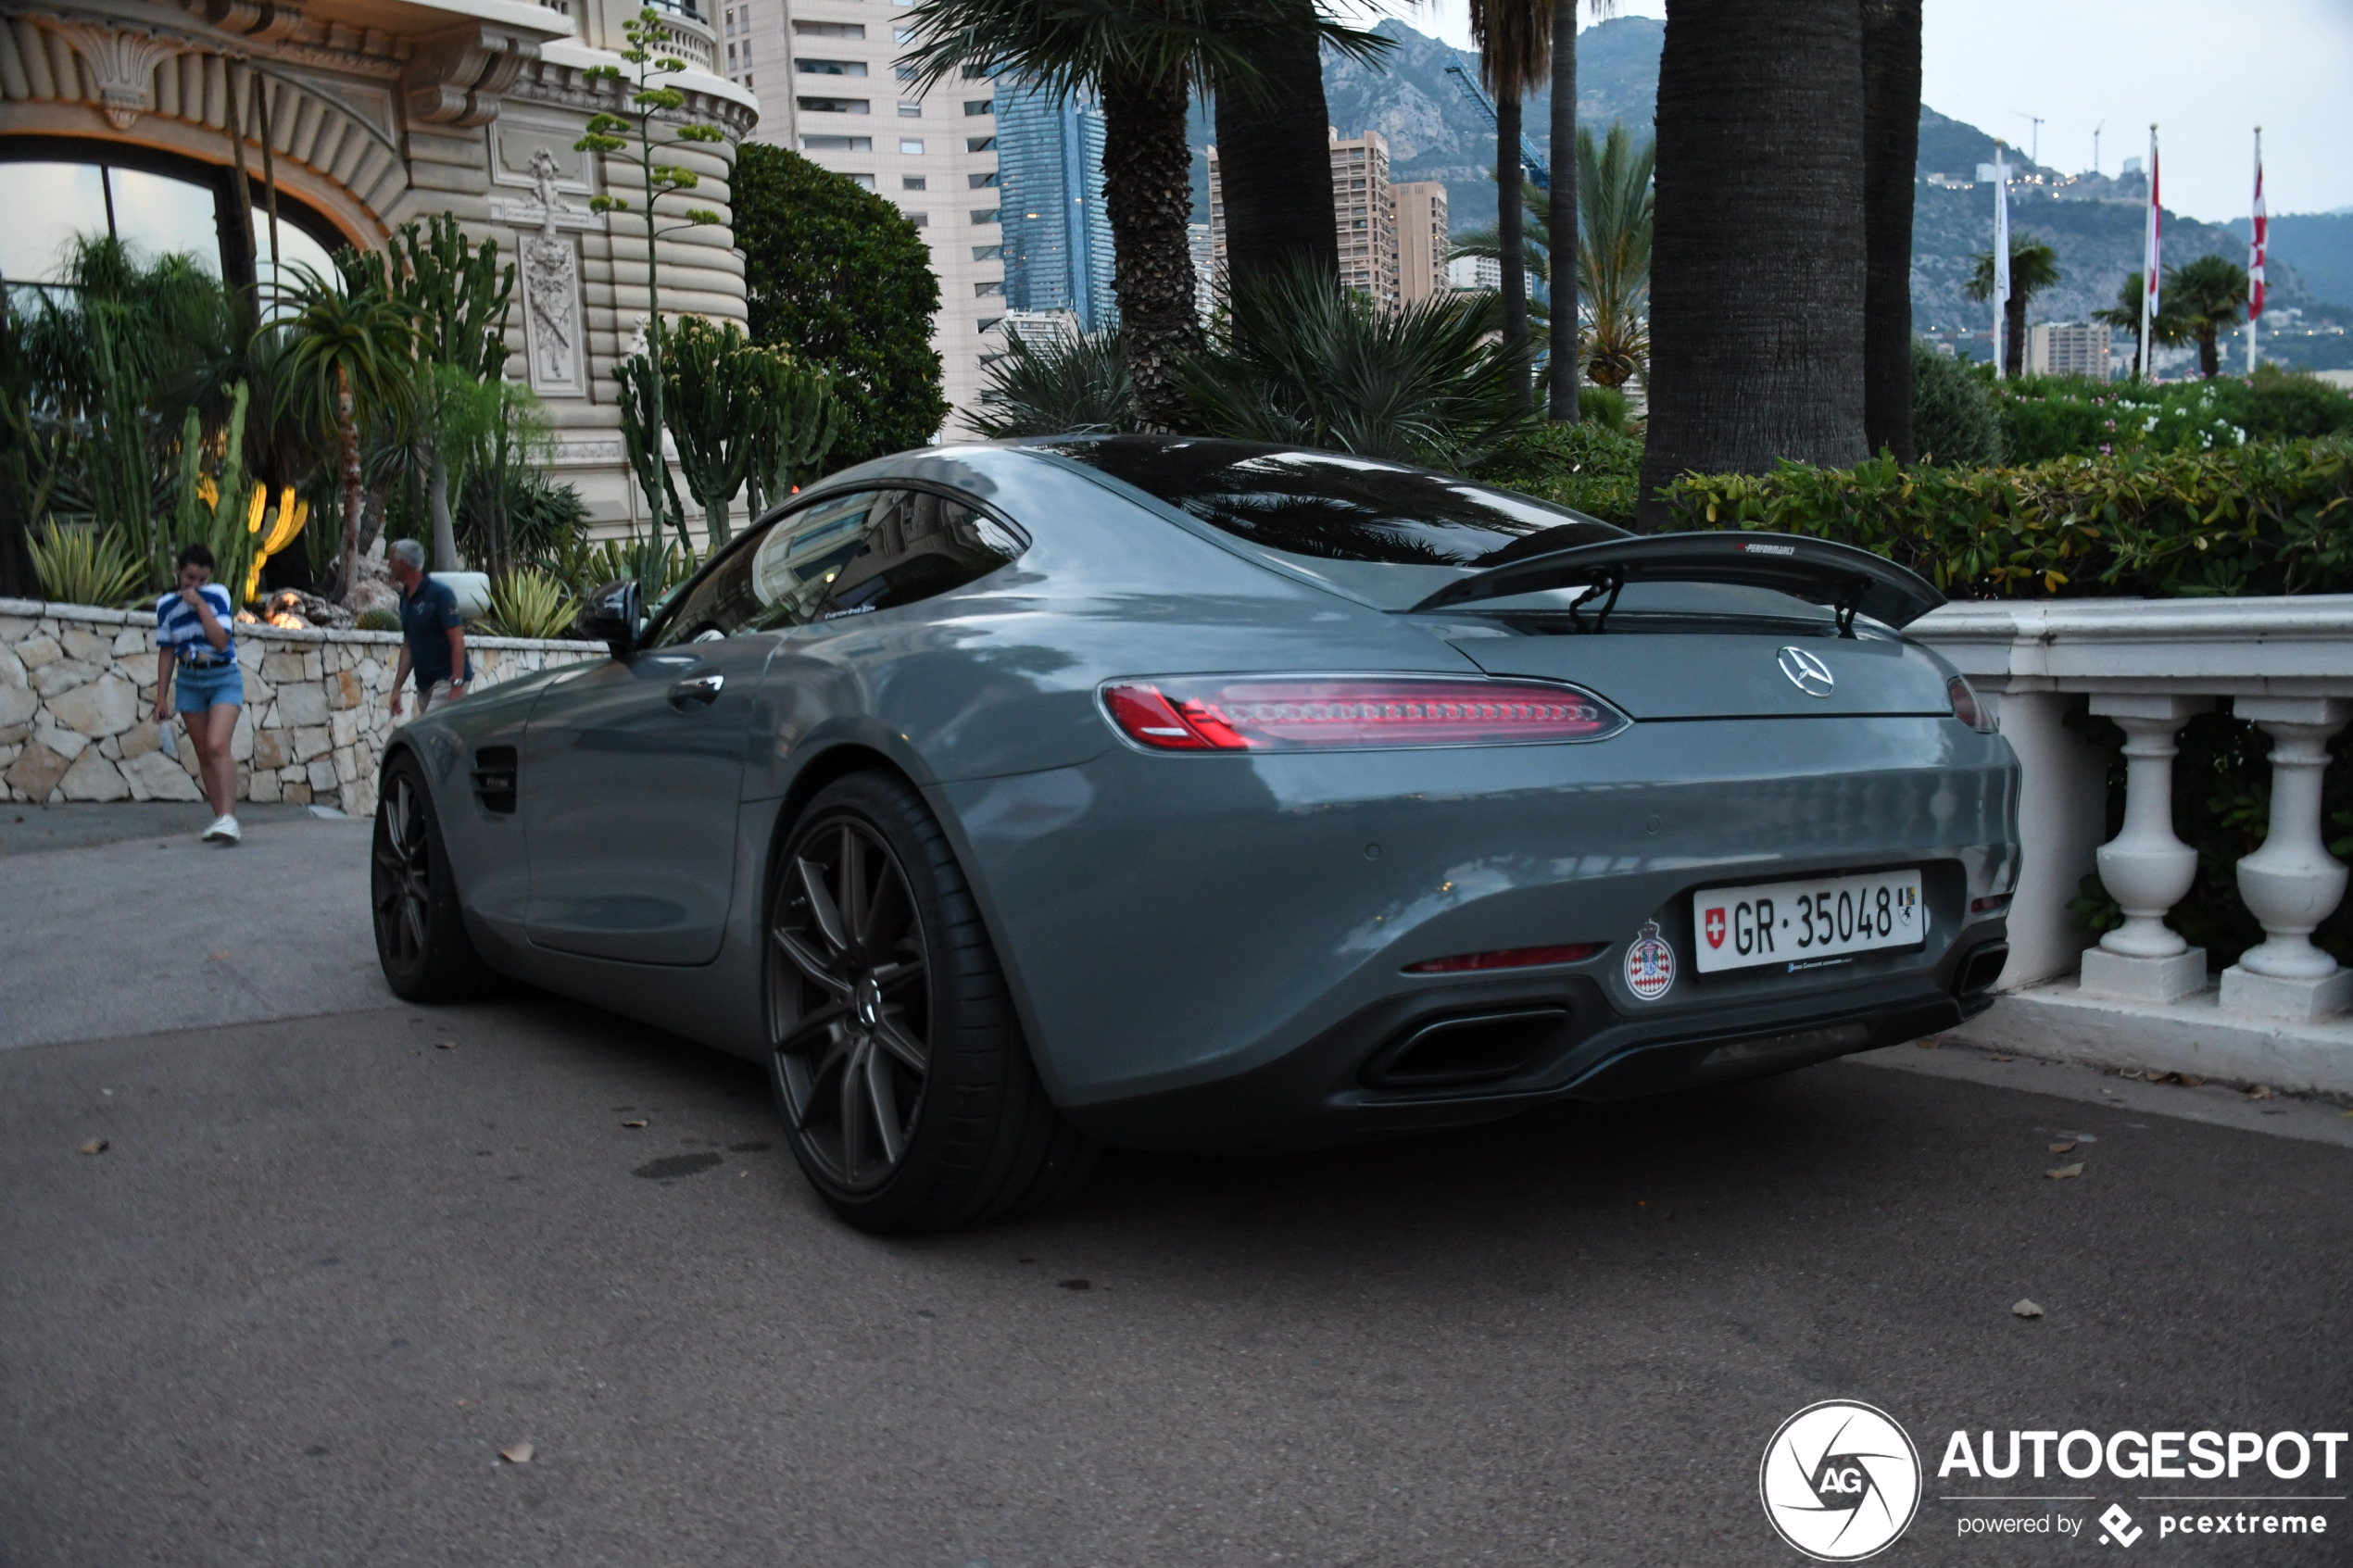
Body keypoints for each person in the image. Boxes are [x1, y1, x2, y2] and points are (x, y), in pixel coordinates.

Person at [152, 542, 243, 845]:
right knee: (204, 751)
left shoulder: (217, 596)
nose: (195, 585)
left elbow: (220, 640)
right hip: (190, 679)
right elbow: (167, 651)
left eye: (202, 579)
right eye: (190, 578)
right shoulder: (166, 605)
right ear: (179, 572)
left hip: (222, 676)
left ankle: (229, 818)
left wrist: (200, 604)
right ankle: (222, 819)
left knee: (218, 744)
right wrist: (161, 697)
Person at [386, 538, 472, 719]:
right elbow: (409, 645)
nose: (388, 565)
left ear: (402, 564)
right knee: (439, 741)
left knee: (432, 735)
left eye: (391, 561)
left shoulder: (439, 594)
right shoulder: (405, 598)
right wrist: (396, 689)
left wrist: (457, 686)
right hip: (425, 686)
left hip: (447, 680)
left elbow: (458, 641)